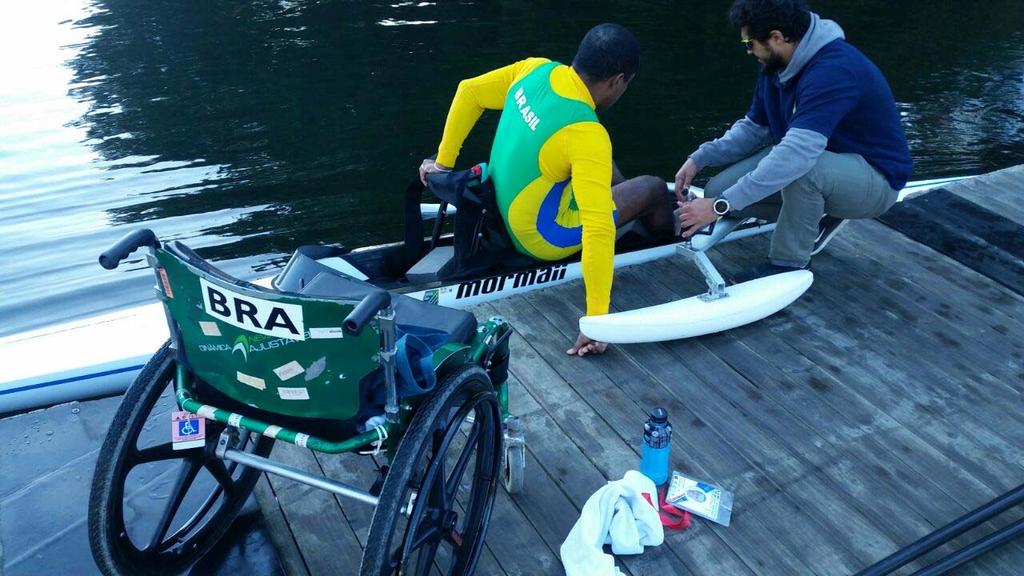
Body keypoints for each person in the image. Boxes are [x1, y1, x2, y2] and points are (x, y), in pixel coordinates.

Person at [419, 23, 675, 356]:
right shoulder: (586, 133)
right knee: (654, 189)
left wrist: (443, 163)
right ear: (617, 81)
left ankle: (625, 203)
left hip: (495, 209)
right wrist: (597, 320)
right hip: (541, 237)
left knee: (592, 156)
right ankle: (672, 239)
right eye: (626, 85)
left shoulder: (535, 69)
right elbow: (598, 230)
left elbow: (469, 91)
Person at [675, 0, 913, 281]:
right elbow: (754, 129)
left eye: (749, 43)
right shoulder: (775, 64)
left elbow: (797, 156)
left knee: (801, 171)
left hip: (875, 179)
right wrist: (701, 157)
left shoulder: (834, 70)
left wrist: (720, 206)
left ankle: (788, 264)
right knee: (718, 187)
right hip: (824, 163)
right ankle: (815, 215)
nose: (748, 51)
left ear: (777, 37)